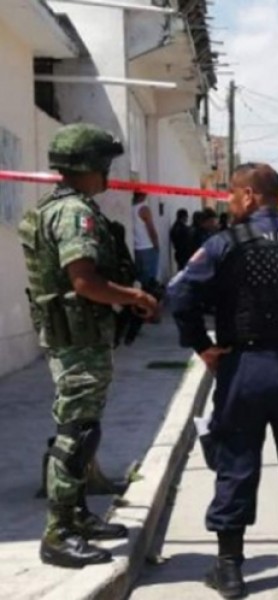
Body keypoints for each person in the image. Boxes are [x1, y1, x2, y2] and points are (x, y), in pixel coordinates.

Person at [167, 162, 278, 598]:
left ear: (249, 196)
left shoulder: (222, 245)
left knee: (236, 461)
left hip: (243, 368)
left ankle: (229, 570)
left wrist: (201, 345)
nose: (227, 203)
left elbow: (178, 293)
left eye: (231, 195)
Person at [17, 123, 159, 568]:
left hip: (77, 337)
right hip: (77, 340)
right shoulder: (75, 213)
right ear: (89, 166)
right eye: (105, 164)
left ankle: (77, 515)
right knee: (76, 434)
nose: (109, 174)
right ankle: (58, 533)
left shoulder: (57, 208)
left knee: (84, 427)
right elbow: (85, 282)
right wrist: (135, 297)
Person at [132, 191, 160, 284]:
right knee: (150, 279)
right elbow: (151, 229)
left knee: (140, 278)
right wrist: (156, 244)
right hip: (147, 246)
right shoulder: (144, 208)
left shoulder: (130, 207)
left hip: (136, 248)